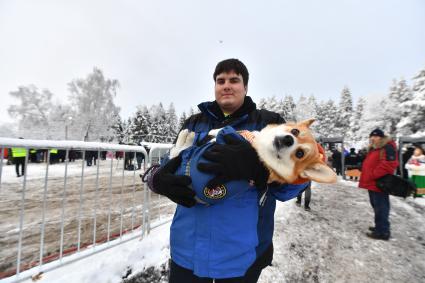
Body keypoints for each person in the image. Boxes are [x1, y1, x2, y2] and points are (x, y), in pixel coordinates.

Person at [146, 59, 309, 282]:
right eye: (220, 80)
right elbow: (167, 163)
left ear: (246, 87)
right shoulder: (193, 124)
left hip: (243, 256)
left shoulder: (271, 124)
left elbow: (297, 180)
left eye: (234, 80)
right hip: (186, 251)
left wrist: (262, 168)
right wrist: (157, 179)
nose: (226, 85)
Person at [358, 128, 398, 240]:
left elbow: (390, 164)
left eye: (375, 136)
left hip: (380, 183)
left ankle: (383, 232)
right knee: (376, 206)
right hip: (373, 183)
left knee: (381, 207)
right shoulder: (375, 148)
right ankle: (379, 226)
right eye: (371, 136)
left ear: (381, 137)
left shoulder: (387, 147)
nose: (372, 138)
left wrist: (373, 174)